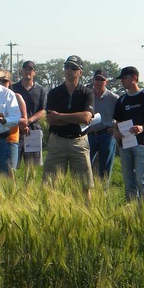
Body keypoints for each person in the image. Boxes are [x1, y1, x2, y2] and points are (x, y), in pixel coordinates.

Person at [43, 55, 95, 198]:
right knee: (50, 184)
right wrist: (75, 118)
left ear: (80, 72)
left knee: (84, 186)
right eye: (66, 67)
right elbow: (51, 120)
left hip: (79, 142)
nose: (69, 70)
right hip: (57, 141)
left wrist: (60, 116)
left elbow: (86, 117)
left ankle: (85, 216)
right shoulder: (54, 93)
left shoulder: (87, 93)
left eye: (73, 68)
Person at [113, 66, 144, 202]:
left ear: (134, 77)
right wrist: (116, 132)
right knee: (129, 182)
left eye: (124, 78)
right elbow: (117, 122)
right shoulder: (121, 100)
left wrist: (143, 127)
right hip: (125, 145)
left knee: (142, 179)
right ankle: (132, 210)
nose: (122, 81)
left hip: (142, 143)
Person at [12, 60, 47, 168]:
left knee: (32, 167)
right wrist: (21, 123)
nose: (28, 72)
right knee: (12, 166)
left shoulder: (40, 90)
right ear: (22, 71)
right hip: (15, 131)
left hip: (33, 131)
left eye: (30, 70)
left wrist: (28, 121)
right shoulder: (13, 88)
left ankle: (29, 186)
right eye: (26, 69)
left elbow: (43, 111)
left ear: (34, 72)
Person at [88, 69, 119, 182]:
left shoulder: (114, 98)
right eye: (97, 79)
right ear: (93, 80)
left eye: (102, 79)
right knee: (86, 166)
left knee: (105, 168)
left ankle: (103, 194)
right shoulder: (87, 95)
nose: (99, 81)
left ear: (106, 81)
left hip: (107, 135)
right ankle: (87, 192)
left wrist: (115, 126)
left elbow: (120, 116)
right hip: (89, 134)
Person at [0, 71, 28, 174]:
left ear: (9, 82)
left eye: (4, 81)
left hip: (11, 139)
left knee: (10, 172)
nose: (1, 83)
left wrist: (6, 119)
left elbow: (25, 120)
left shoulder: (17, 97)